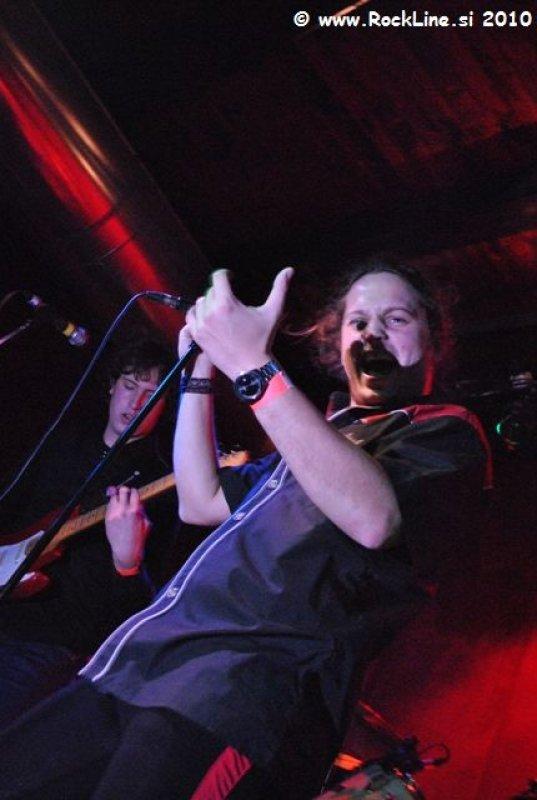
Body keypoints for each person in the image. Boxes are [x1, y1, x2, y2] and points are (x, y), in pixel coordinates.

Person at [0, 263, 490, 800]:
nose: (372, 333)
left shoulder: (444, 432)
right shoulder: (312, 441)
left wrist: (254, 366)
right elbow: (200, 500)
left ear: (432, 338)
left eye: (395, 318)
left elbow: (374, 518)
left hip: (237, 693)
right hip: (140, 666)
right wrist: (201, 369)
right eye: (358, 322)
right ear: (337, 343)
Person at [0, 335, 176, 728]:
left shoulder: (161, 486)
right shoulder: (64, 438)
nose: (135, 403)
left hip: (47, 647)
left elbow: (141, 609)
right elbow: (10, 503)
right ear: (112, 385)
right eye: (129, 385)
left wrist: (128, 562)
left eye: (151, 395)